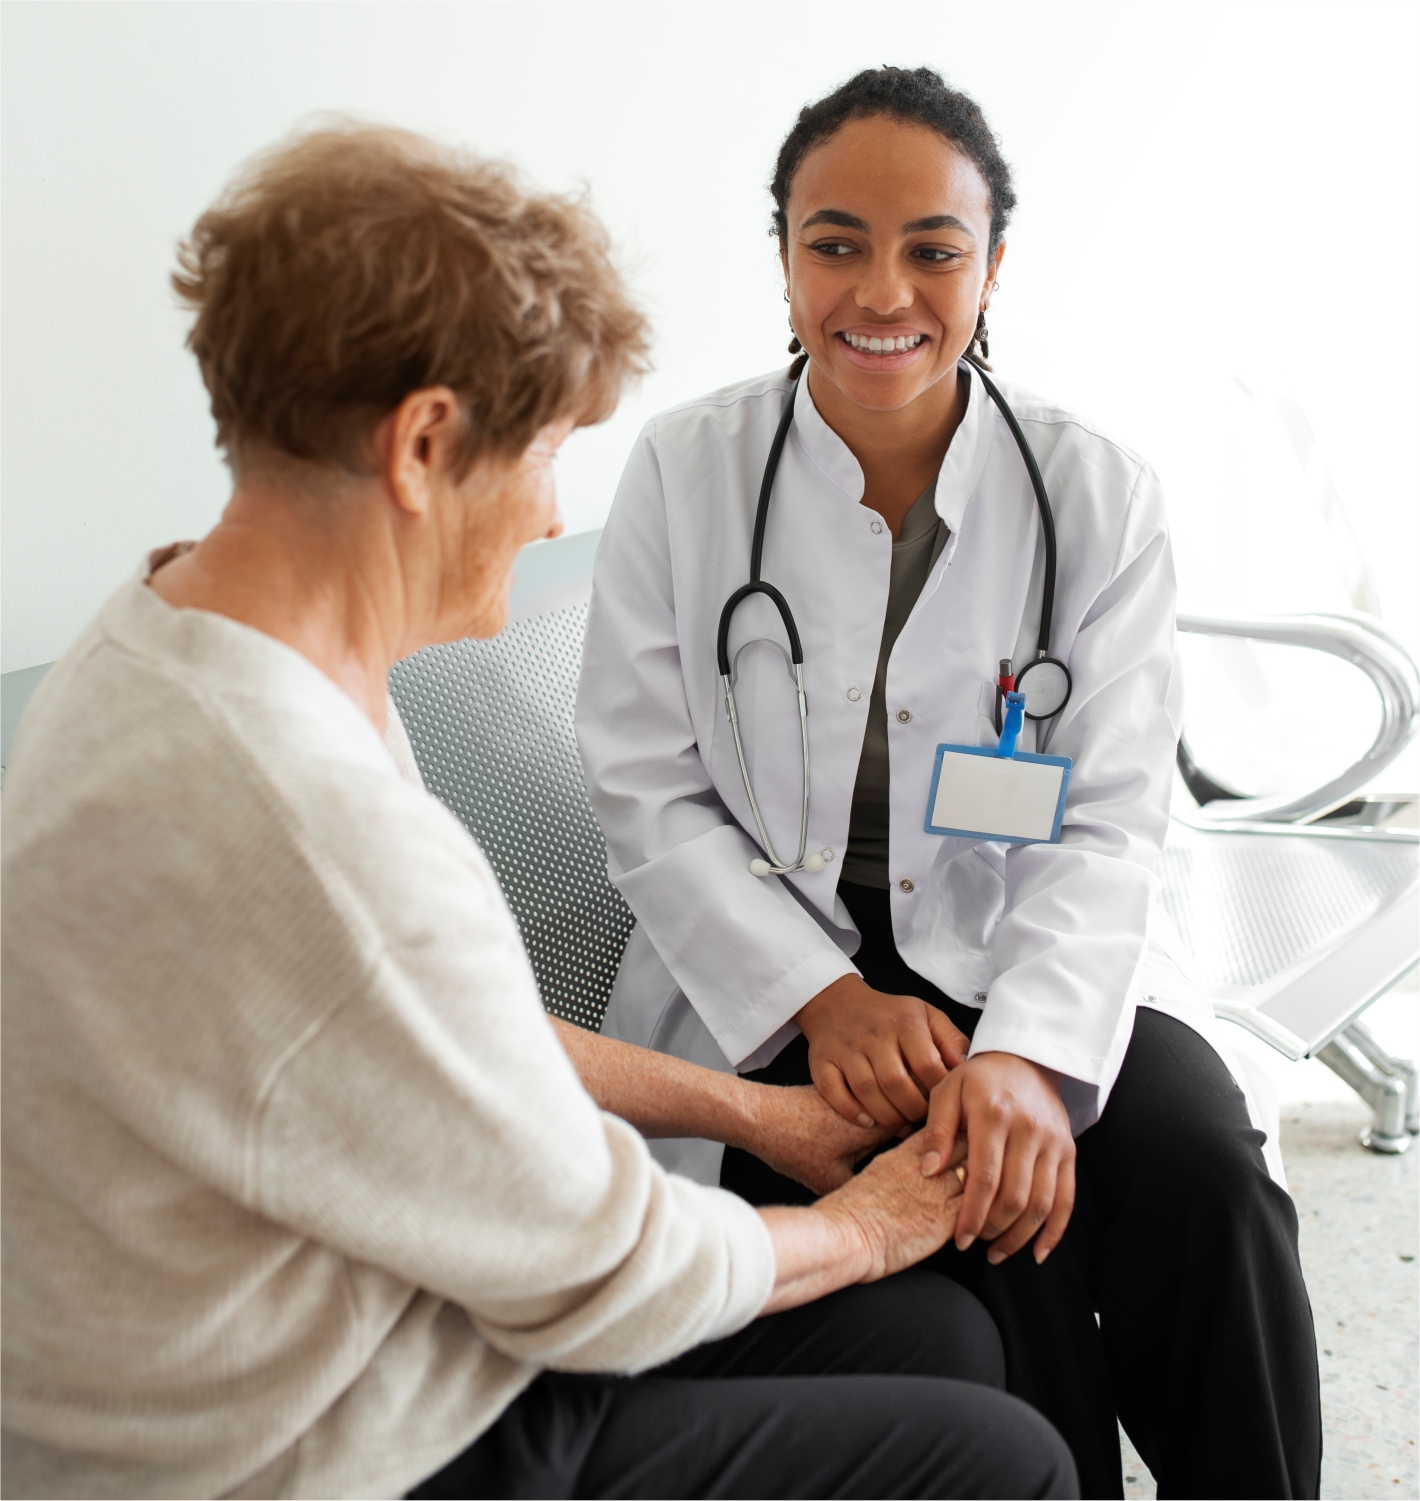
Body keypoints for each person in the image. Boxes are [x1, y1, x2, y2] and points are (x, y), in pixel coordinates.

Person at [0, 123, 1079, 1501]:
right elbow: (604, 1268)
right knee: (1003, 1459)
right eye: (546, 451)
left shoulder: (186, 636)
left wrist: (756, 1118)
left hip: (360, 1320)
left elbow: (445, 1031)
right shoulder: (306, 814)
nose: (552, 513)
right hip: (312, 1448)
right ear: (424, 445)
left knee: (937, 1339)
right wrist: (867, 1225)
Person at [576, 66, 1322, 1499]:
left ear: (993, 266)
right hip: (773, 959)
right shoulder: (687, 472)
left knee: (1205, 1171)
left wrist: (1029, 1055)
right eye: (836, 241)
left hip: (1028, 928)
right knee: (979, 1201)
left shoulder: (1093, 492)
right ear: (783, 255)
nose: (883, 291)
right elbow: (647, 790)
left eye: (933, 248)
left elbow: (1109, 819)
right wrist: (823, 997)